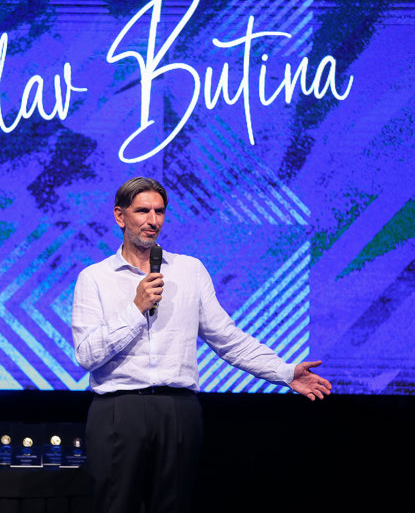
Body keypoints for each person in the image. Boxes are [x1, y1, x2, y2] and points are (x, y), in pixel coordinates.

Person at [71, 177, 332, 513]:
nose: (153, 220)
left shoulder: (189, 270)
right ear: (120, 216)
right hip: (118, 410)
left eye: (159, 212)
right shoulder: (95, 277)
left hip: (178, 410)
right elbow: (86, 355)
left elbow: (227, 339)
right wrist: (136, 309)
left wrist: (284, 372)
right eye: (143, 211)